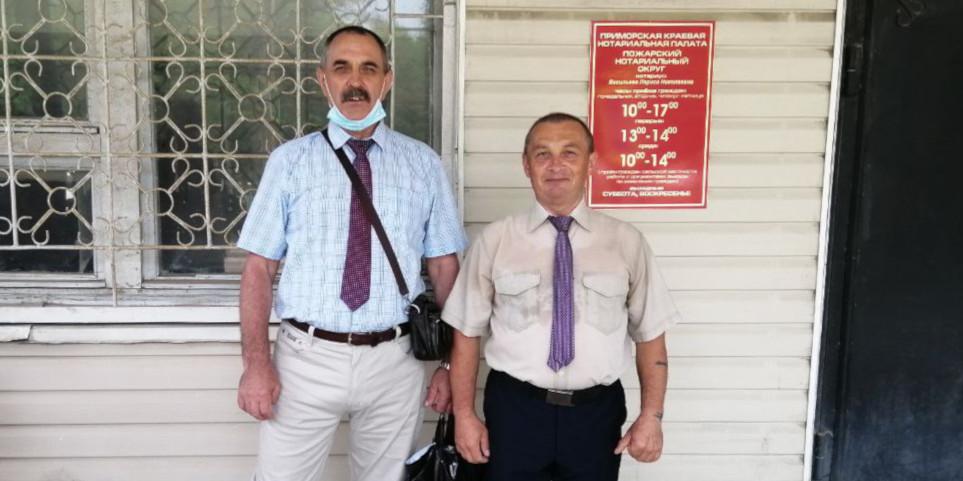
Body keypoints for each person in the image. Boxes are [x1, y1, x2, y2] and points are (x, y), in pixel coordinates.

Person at [235, 25, 467, 481]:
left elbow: (445, 268)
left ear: (387, 79)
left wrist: (449, 365)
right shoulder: (291, 162)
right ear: (323, 80)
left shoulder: (422, 164)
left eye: (368, 68)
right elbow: (259, 267)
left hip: (395, 361)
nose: (355, 81)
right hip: (305, 359)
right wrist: (256, 365)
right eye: (342, 68)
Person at [443, 113, 680, 480]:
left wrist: (652, 415)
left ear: (591, 162)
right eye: (542, 154)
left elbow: (651, 336)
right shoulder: (496, 240)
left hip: (596, 415)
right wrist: (464, 415)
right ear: (526, 165)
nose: (555, 165)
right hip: (514, 412)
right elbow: (466, 332)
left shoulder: (625, 242)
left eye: (569, 153)